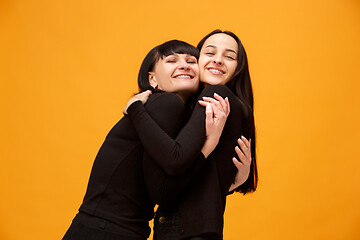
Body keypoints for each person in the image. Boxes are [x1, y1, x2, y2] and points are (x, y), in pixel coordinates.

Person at [62, 40, 249, 240]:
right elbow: (170, 172)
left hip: (111, 227)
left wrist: (234, 181)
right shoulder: (166, 103)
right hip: (105, 229)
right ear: (152, 80)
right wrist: (209, 145)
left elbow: (173, 184)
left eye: (191, 60)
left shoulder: (171, 114)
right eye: (171, 60)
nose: (184, 65)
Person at [124, 30, 257, 240]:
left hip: (186, 231)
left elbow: (171, 172)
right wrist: (235, 181)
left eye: (229, 56)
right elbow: (209, 177)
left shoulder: (217, 96)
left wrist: (135, 109)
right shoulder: (225, 105)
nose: (218, 60)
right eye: (210, 53)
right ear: (198, 60)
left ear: (238, 68)